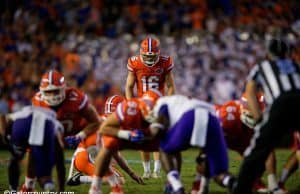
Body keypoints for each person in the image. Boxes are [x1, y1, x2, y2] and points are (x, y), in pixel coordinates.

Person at [232, 39, 300, 194]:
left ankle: (241, 189)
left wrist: (259, 119)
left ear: (269, 54)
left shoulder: (262, 66)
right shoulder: (296, 66)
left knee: (257, 150)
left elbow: (250, 91)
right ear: (286, 53)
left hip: (281, 103)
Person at [21, 70, 101, 192]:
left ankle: (101, 180)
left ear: (63, 88)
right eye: (49, 92)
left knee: (95, 146)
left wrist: (80, 136)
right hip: (54, 134)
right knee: (32, 149)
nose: (53, 96)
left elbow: (95, 121)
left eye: (55, 91)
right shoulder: (38, 101)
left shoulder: (76, 97)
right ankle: (28, 186)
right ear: (42, 92)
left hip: (78, 132)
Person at [146, 94, 236, 194]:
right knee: (218, 171)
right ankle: (231, 182)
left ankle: (176, 186)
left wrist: (144, 134)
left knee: (164, 148)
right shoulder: (183, 101)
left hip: (190, 116)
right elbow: (204, 156)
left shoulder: (162, 102)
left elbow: (158, 129)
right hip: (213, 119)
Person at [89, 89, 162, 194]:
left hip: (144, 136)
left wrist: (150, 135)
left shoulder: (163, 112)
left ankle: (174, 181)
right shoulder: (128, 109)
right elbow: (104, 131)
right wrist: (127, 134)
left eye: (112, 113)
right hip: (91, 155)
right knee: (108, 145)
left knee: (168, 146)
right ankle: (95, 187)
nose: (109, 116)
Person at [66, 95, 144, 192]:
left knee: (114, 165)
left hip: (86, 156)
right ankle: (79, 179)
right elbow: (107, 153)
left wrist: (131, 173)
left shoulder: (104, 120)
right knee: (118, 179)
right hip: (86, 157)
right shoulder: (109, 125)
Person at [125, 36, 176, 178]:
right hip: (142, 104)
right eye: (146, 56)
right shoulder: (134, 63)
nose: (149, 59)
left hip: (159, 104)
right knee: (142, 137)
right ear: (141, 53)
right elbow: (129, 87)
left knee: (157, 136)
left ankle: (156, 170)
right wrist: (131, 103)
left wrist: (168, 102)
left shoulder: (165, 62)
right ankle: (147, 170)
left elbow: (171, 85)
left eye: (152, 56)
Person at [0, 106, 64, 191]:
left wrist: (4, 135)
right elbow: (59, 139)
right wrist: (61, 189)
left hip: (22, 125)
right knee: (45, 175)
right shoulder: (54, 120)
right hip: (45, 127)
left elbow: (2, 117)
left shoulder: (22, 112)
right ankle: (48, 185)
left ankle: (13, 190)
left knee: (15, 159)